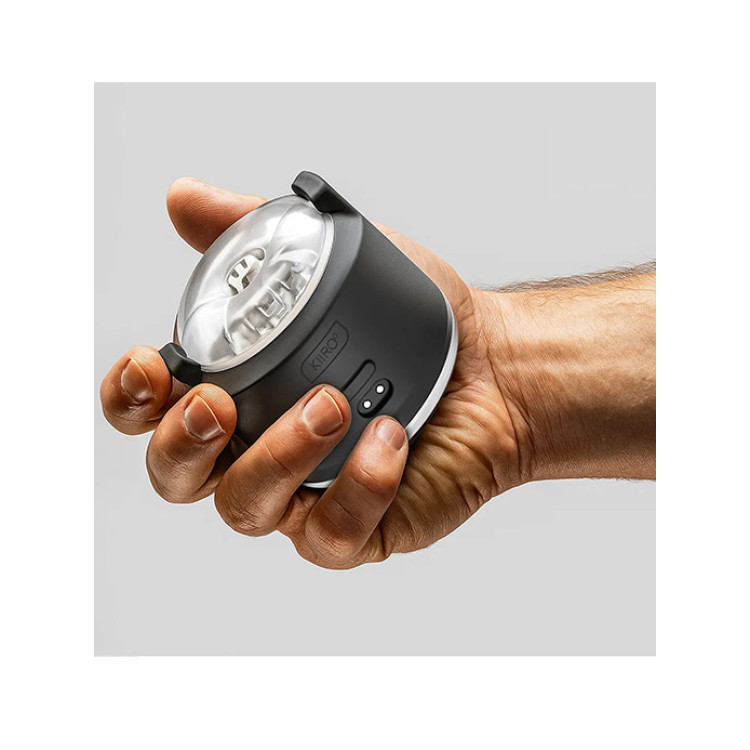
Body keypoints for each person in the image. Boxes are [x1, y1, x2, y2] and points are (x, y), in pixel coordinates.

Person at [100, 178, 656, 570]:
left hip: (407, 325)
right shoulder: (291, 247)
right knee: (206, 416)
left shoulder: (306, 231)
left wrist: (506, 370)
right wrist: (508, 386)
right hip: (300, 348)